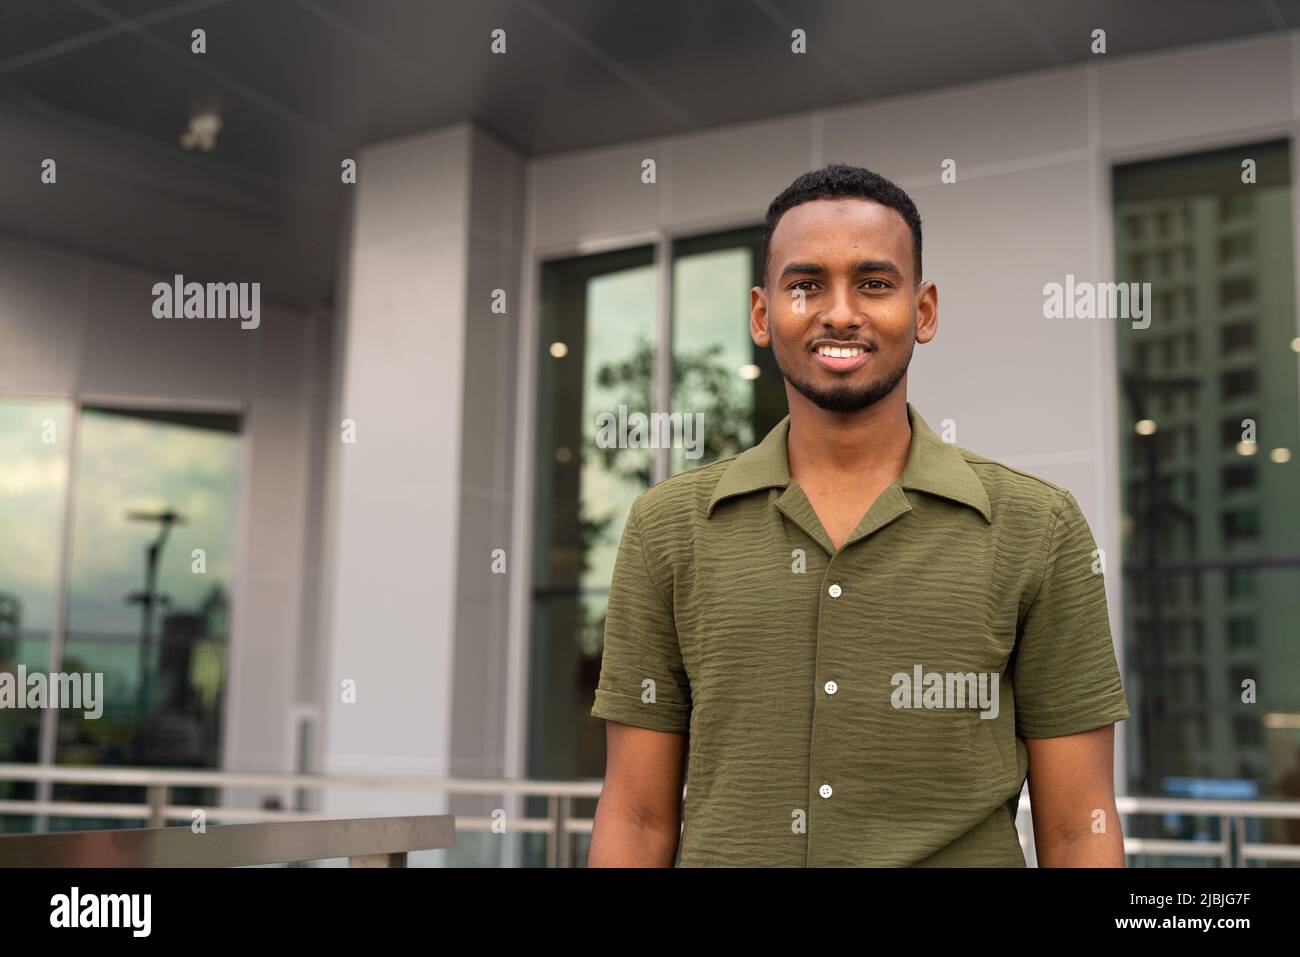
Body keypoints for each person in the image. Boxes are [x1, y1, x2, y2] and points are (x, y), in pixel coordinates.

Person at [588, 164, 1130, 867]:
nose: (840, 312)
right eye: (806, 284)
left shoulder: (1037, 526)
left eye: (874, 283)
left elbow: (1076, 827)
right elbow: (635, 817)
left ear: (924, 309)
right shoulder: (667, 526)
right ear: (761, 314)